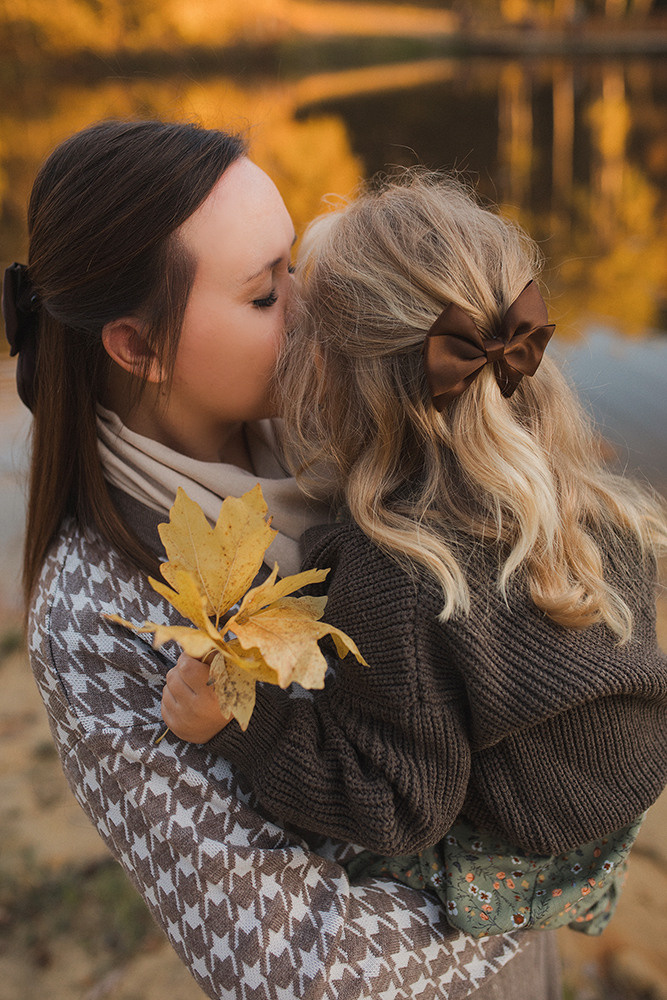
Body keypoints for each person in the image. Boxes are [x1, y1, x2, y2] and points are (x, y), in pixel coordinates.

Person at [2, 122, 561, 1000]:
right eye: (266, 295)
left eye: (294, 267)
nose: (313, 309)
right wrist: (536, 876)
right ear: (136, 346)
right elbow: (295, 966)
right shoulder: (93, 615)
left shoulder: (349, 425)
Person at [160, 172, 667, 942]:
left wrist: (242, 719)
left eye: (301, 323)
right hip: (615, 792)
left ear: (334, 378)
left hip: (523, 842)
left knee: (319, 840)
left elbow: (396, 805)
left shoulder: (393, 578)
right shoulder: (590, 498)